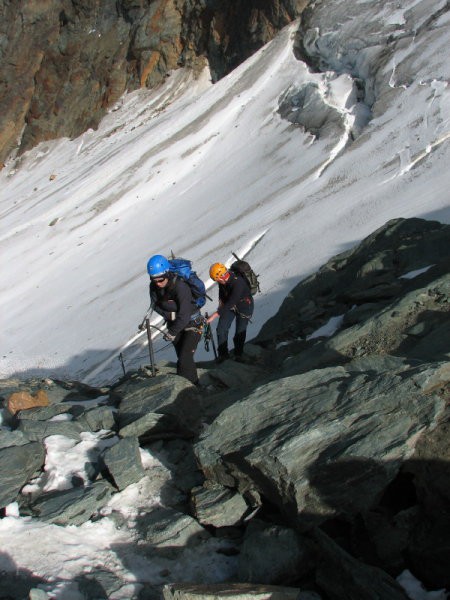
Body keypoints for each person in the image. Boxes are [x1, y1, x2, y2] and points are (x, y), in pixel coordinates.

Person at [147, 254, 203, 384]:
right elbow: (155, 304)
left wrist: (172, 332)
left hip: (192, 324)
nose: (158, 283)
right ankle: (187, 386)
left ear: (167, 274)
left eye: (160, 280)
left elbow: (185, 315)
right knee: (183, 358)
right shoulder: (153, 286)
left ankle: (193, 389)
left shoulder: (180, 287)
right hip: (174, 326)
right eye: (154, 280)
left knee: (185, 357)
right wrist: (170, 316)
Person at [207, 262, 254, 362]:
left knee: (240, 331)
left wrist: (216, 314)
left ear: (223, 276)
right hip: (229, 306)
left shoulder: (238, 282)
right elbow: (222, 292)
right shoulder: (223, 281)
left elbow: (233, 300)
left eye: (217, 279)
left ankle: (238, 354)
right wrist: (220, 303)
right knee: (221, 328)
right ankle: (223, 355)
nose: (217, 282)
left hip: (244, 306)